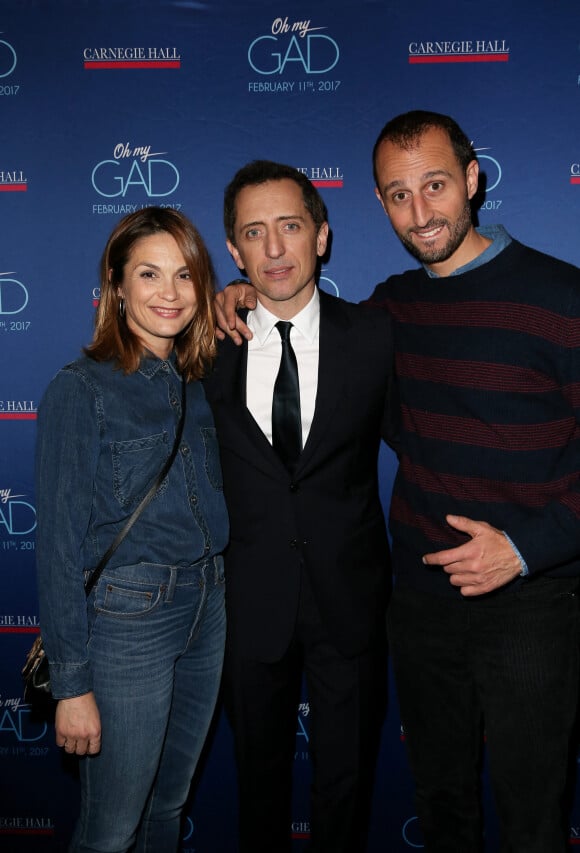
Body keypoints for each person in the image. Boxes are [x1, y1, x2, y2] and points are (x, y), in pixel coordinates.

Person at [215, 113, 580, 853]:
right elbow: (297, 314)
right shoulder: (389, 311)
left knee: (532, 815)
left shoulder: (560, 296)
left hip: (532, 600)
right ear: (378, 204)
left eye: (436, 186)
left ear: (472, 181)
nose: (420, 212)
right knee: (442, 803)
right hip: (417, 604)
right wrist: (234, 293)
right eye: (398, 194)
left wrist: (526, 546)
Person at [203, 160, 397, 853]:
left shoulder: (375, 337)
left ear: (322, 234)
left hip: (350, 600)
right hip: (249, 604)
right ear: (234, 252)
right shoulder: (204, 346)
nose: (274, 248)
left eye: (290, 226)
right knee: (258, 784)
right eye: (254, 233)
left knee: (346, 785)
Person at [35, 207, 229, 852]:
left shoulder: (202, 383)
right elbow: (59, 552)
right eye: (149, 274)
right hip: (128, 621)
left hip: (209, 605)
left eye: (185, 275)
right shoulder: (81, 389)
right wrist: (73, 686)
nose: (169, 293)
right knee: (111, 830)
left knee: (168, 808)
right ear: (117, 287)